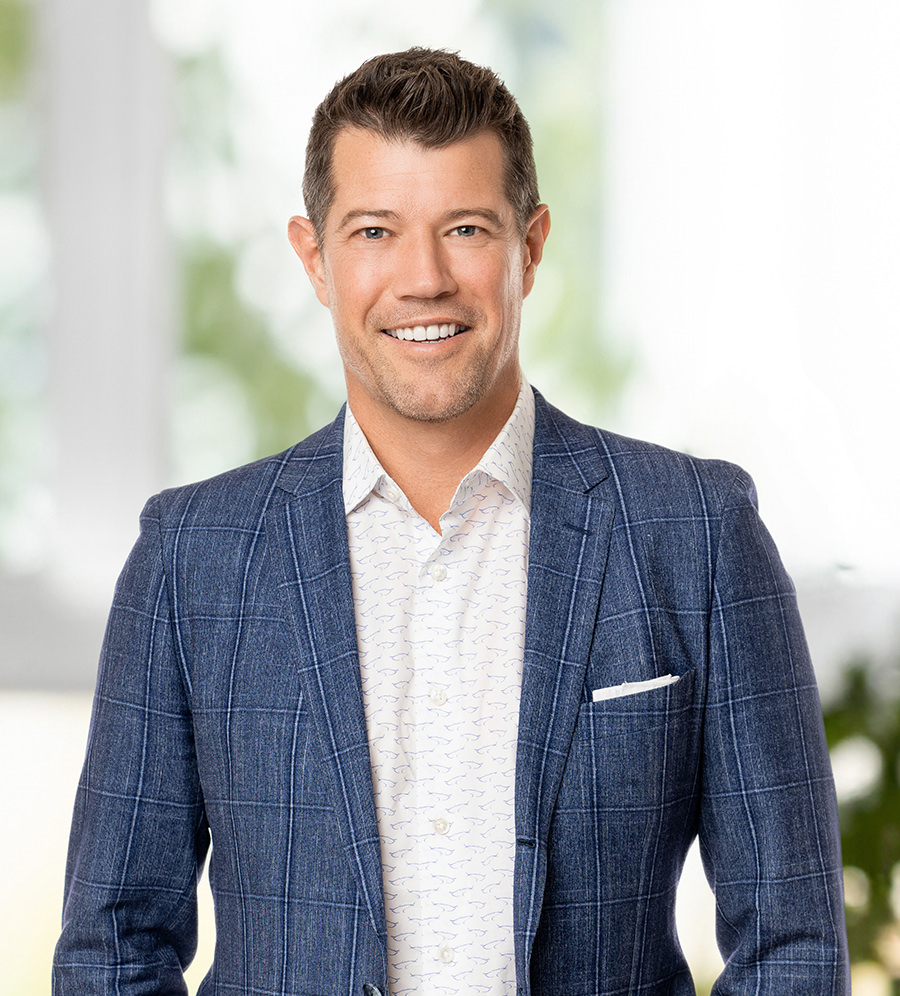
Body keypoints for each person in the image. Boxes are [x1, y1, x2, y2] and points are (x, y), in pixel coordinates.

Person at [53, 47, 849, 996]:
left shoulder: (697, 534)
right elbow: (112, 950)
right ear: (315, 258)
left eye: (465, 227)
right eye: (375, 230)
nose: (422, 278)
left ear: (532, 244)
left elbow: (793, 946)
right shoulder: (191, 559)